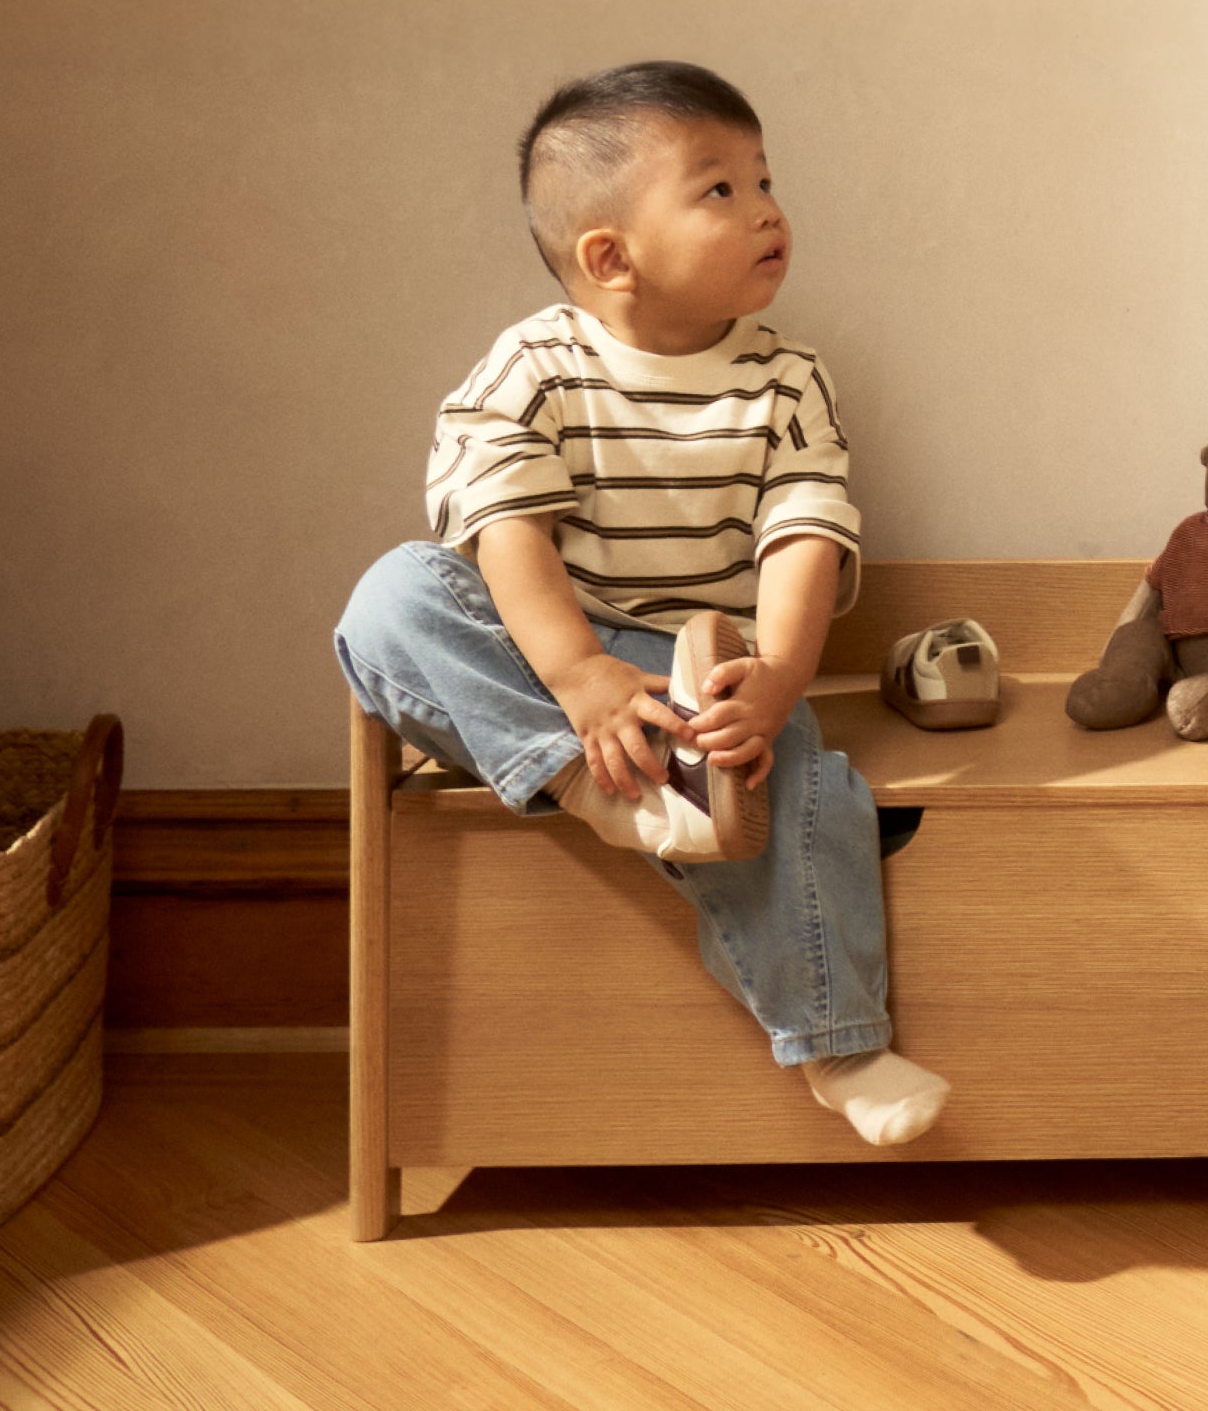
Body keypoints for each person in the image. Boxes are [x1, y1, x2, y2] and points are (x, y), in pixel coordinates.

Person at [332, 61, 947, 1146]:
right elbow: (501, 530)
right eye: (719, 190)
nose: (766, 210)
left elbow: (801, 536)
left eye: (764, 179)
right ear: (608, 256)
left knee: (799, 785)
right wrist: (576, 677)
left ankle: (839, 1041)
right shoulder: (529, 366)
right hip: (549, 654)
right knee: (391, 597)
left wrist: (778, 680)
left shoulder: (787, 379)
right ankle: (590, 783)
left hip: (705, 670)